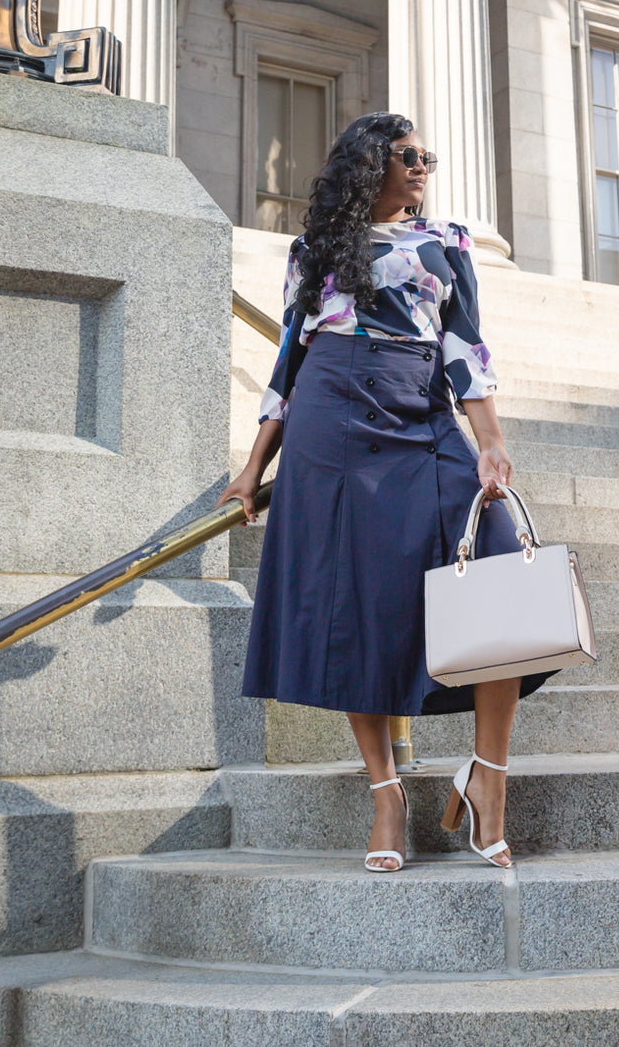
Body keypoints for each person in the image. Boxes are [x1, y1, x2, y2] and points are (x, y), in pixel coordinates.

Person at [216, 112, 552, 873]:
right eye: (409, 156)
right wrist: (252, 464)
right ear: (370, 164)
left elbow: (465, 348)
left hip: (423, 413)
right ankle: (387, 795)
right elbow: (287, 365)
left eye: (427, 155)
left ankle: (488, 777)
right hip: (330, 422)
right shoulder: (317, 249)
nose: (423, 166)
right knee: (351, 608)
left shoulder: (447, 244)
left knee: (498, 578)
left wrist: (491, 443)